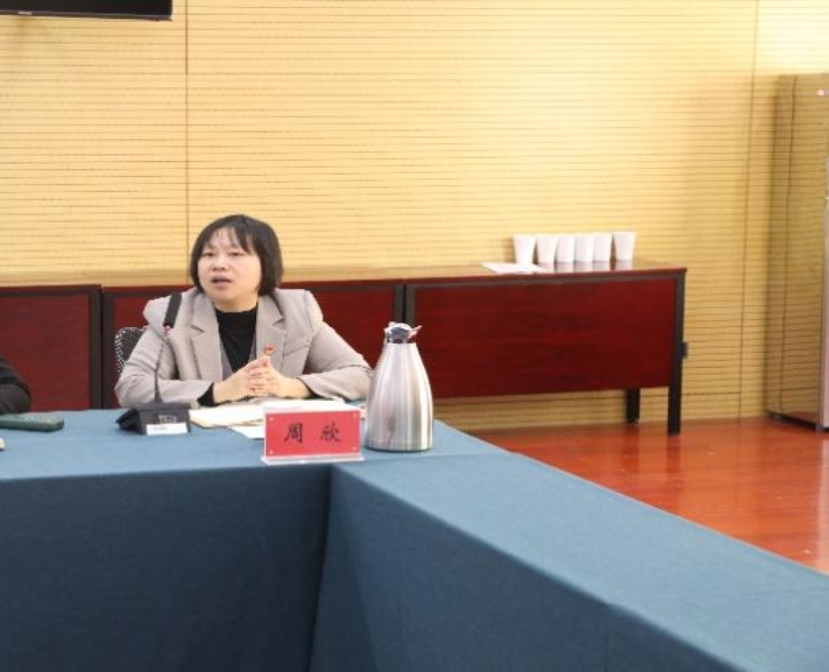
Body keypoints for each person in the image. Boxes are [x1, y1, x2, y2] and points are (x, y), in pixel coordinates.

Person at [115, 214, 373, 407]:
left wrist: (289, 386)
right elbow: (131, 387)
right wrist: (221, 391)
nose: (218, 265)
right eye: (208, 255)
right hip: (199, 444)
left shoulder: (296, 311)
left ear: (266, 264)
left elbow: (362, 376)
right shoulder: (173, 313)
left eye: (235, 254)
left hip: (270, 442)